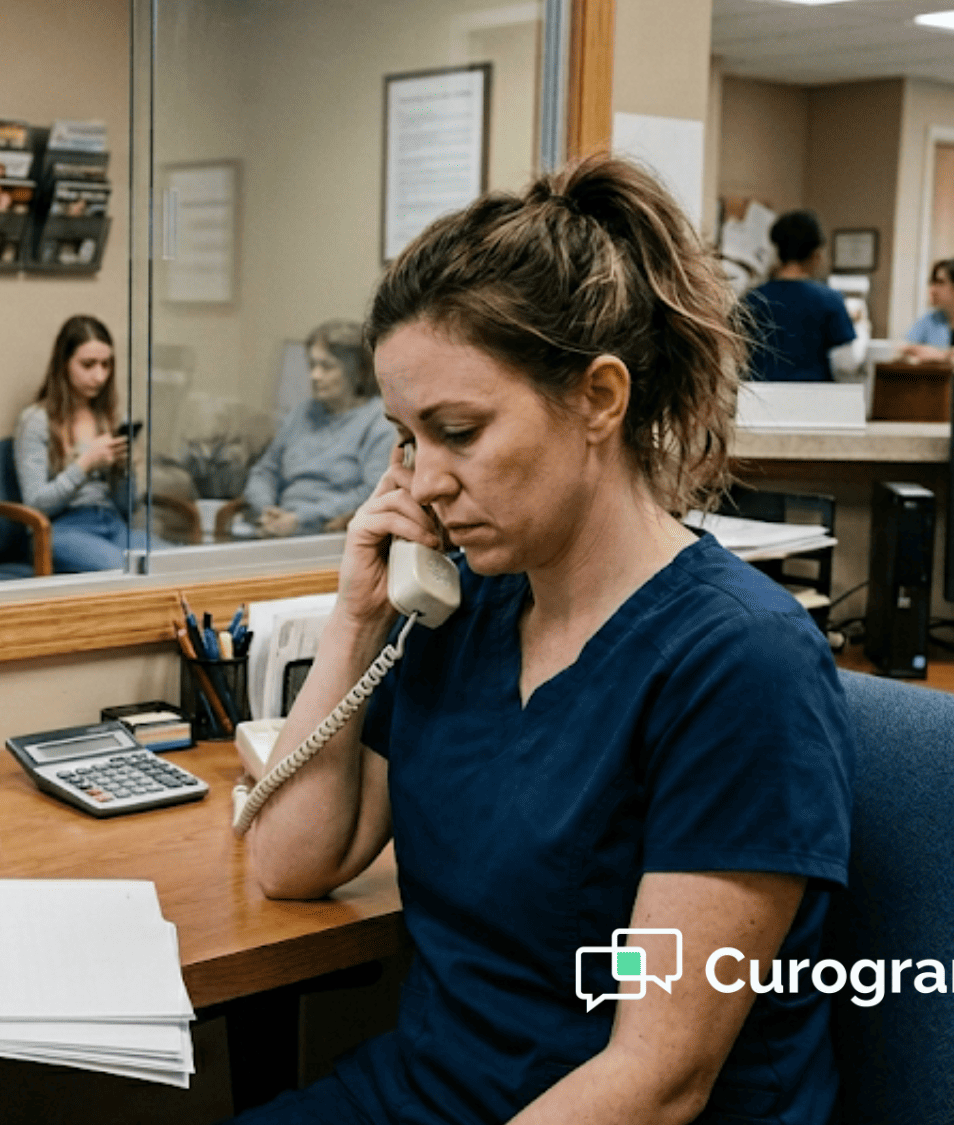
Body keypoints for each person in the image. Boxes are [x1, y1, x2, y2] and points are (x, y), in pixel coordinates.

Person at [234, 154, 854, 1125]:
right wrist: (357, 616)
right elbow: (292, 864)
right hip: (423, 1096)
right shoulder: (465, 608)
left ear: (598, 398)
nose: (423, 481)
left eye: (458, 431)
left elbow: (656, 1080)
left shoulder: (740, 663)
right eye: (406, 438)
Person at [237, 320, 398, 537]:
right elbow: (265, 470)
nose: (315, 375)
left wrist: (300, 518)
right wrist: (266, 508)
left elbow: (373, 490)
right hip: (277, 526)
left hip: (331, 532)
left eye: (327, 367)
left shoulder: (379, 420)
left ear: (358, 371)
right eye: (312, 365)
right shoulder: (302, 412)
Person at [15, 314, 134, 573]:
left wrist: (125, 469)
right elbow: (35, 504)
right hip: (61, 529)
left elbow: (127, 506)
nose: (99, 376)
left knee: (174, 563)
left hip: (112, 522)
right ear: (64, 364)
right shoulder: (36, 420)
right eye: (88, 365)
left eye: (106, 365)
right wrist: (86, 464)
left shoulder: (111, 418)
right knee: (123, 569)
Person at [741, 209, 863, 382]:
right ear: (816, 254)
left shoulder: (753, 299)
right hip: (814, 394)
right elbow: (846, 364)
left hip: (760, 393)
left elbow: (736, 356)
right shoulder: (830, 300)